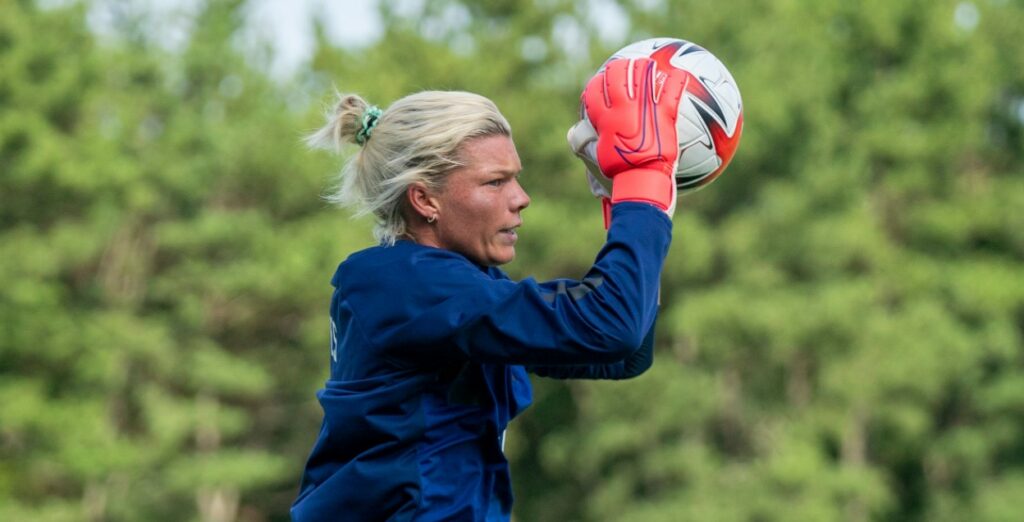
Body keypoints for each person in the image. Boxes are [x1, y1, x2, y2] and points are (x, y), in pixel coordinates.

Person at [291, 57, 689, 521]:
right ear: (424, 199)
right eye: (495, 182)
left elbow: (624, 353)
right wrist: (643, 193)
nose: (521, 198)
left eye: (515, 177)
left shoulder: (451, 288)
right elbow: (613, 328)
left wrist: (631, 221)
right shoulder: (406, 284)